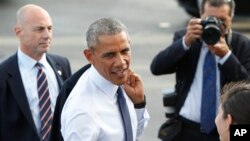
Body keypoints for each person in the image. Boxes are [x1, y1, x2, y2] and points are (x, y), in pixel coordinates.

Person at [151, 0, 250, 141]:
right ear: (200, 16)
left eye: (222, 20)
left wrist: (226, 56)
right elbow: (156, 68)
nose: (216, 25)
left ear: (231, 18)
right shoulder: (187, 38)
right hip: (186, 128)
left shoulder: (242, 44)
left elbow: (247, 88)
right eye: (210, 19)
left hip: (225, 130)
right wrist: (185, 42)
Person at [60, 17, 150, 141]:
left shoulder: (122, 85)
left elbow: (134, 134)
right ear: (90, 56)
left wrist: (138, 103)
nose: (121, 62)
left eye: (125, 51)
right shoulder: (83, 112)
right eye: (110, 55)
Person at [0, 4, 71, 141]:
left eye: (49, 28)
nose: (47, 35)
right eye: (39, 29)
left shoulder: (62, 64)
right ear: (18, 31)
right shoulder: (3, 74)